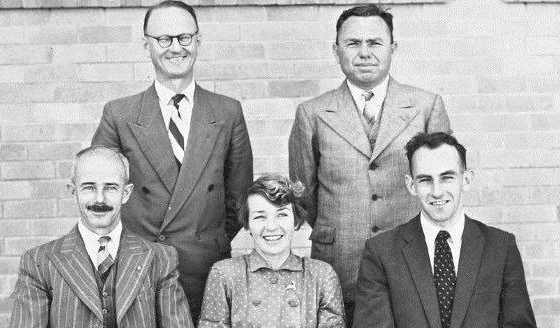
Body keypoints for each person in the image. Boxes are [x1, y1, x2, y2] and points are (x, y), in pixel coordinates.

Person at [288, 4, 451, 324]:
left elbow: (441, 186)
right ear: (336, 51)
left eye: (374, 43)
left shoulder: (425, 106)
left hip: (412, 260)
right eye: (353, 43)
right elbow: (303, 194)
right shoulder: (313, 113)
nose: (364, 53)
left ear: (393, 48)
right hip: (341, 264)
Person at [91, 0, 253, 321]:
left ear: (198, 41)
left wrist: (208, 242)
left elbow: (239, 199)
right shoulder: (119, 115)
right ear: (146, 45)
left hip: (205, 270)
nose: (175, 48)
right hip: (136, 271)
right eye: (164, 39)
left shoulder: (227, 112)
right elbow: (100, 197)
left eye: (184, 38)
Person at [352, 132, 537, 328]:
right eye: (425, 180)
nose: (437, 191)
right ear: (411, 185)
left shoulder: (501, 247)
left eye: (447, 177)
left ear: (465, 180)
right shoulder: (381, 252)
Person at [8, 146, 193, 328]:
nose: (99, 199)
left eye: (110, 188)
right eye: (89, 187)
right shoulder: (39, 262)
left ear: (126, 193)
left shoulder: (160, 259)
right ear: (74, 192)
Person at [199, 175, 345, 328]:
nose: (271, 226)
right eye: (260, 217)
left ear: (296, 221)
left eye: (281, 214)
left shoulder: (321, 276)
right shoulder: (224, 275)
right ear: (247, 225)